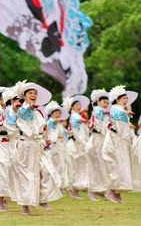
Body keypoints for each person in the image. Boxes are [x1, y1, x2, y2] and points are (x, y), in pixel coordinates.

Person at [12, 81, 63, 215]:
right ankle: (25, 204)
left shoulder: (38, 111)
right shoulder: (22, 108)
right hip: (26, 145)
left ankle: (43, 197)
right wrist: (29, 107)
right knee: (27, 175)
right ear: (24, 95)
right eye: (30, 93)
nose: (33, 95)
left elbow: (43, 127)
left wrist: (46, 140)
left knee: (45, 171)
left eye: (35, 93)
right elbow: (23, 114)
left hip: (38, 145)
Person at [103, 85, 138, 203]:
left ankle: (117, 192)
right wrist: (129, 139)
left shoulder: (118, 110)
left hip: (117, 138)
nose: (126, 100)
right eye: (123, 98)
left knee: (120, 164)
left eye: (126, 98)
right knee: (119, 164)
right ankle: (111, 191)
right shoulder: (119, 111)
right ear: (117, 99)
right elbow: (122, 129)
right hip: (118, 139)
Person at [62, 95, 90, 200]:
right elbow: (77, 133)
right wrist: (83, 143)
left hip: (80, 143)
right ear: (71, 107)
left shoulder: (77, 117)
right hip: (77, 144)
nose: (79, 106)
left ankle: (77, 189)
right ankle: (75, 189)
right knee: (77, 167)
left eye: (79, 105)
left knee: (80, 167)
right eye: (76, 105)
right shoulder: (75, 118)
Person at [85, 89, 110, 201]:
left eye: (107, 102)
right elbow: (100, 117)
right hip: (97, 139)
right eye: (104, 102)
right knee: (95, 164)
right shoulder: (97, 110)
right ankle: (92, 190)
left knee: (102, 165)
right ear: (98, 101)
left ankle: (101, 189)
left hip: (102, 139)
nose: (106, 104)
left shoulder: (101, 111)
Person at [45, 100, 69, 191]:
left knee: (62, 164)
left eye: (59, 113)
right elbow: (52, 123)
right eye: (56, 112)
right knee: (55, 164)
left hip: (61, 144)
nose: (58, 114)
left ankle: (62, 184)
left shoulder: (59, 123)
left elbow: (63, 133)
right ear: (51, 113)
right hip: (53, 145)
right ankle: (56, 184)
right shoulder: (50, 122)